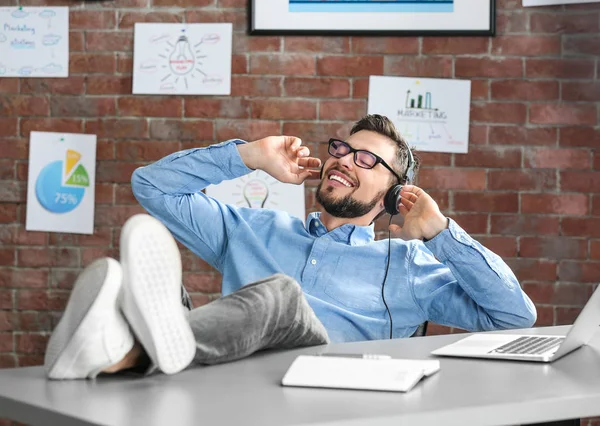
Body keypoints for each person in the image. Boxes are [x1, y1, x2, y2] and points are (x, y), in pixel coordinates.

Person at [44, 114, 537, 380]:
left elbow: (514, 317)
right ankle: (109, 356)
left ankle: (124, 352)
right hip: (218, 385)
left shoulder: (407, 264)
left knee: (279, 295)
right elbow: (152, 187)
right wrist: (247, 156)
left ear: (393, 193)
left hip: (319, 398)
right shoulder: (254, 229)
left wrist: (440, 232)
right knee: (153, 279)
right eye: (341, 149)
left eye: (366, 159)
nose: (343, 159)